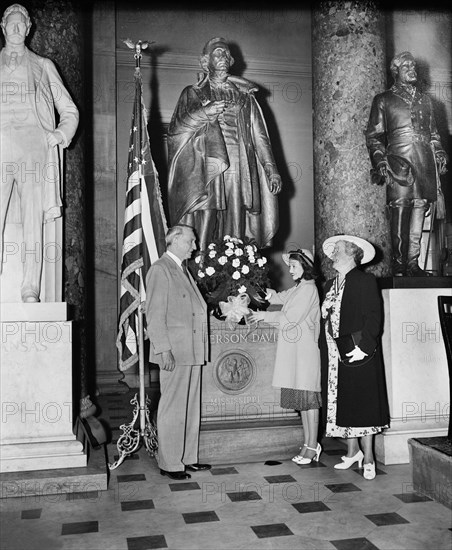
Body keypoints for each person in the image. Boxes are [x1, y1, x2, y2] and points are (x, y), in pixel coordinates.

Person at [167, 37, 282, 253]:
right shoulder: (192, 93)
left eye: (227, 55)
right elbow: (176, 130)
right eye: (218, 53)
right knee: (206, 216)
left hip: (240, 164)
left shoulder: (245, 96)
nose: (224, 58)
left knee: (236, 216)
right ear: (205, 62)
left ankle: (233, 267)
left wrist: (271, 169)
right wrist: (204, 113)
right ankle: (200, 266)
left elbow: (259, 136)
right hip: (206, 163)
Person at [0, 3, 79, 302]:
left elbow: (69, 109)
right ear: (3, 27)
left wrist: (60, 134)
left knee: (33, 217)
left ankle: (30, 286)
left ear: (29, 28)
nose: (17, 29)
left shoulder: (44, 66)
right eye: (12, 24)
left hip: (34, 145)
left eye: (22, 24)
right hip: (1, 143)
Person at [365, 51, 447, 277]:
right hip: (398, 160)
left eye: (414, 66)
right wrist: (380, 159)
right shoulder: (383, 99)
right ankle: (399, 265)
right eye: (407, 66)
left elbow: (433, 134)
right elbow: (373, 136)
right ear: (396, 72)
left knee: (420, 208)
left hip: (424, 162)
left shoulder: (426, 100)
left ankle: (413, 263)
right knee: (400, 209)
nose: (412, 69)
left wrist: (439, 152)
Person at [320, 235, 389, 480]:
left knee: (363, 402)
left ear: (351, 252)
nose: (332, 255)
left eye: (337, 249)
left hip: (357, 351)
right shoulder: (330, 285)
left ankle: (368, 457)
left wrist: (365, 345)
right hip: (333, 353)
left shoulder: (364, 280)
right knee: (343, 401)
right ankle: (353, 452)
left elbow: (374, 316)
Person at [145, 224, 211, 480]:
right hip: (174, 352)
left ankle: (187, 458)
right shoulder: (160, 270)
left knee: (190, 407)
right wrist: (164, 350)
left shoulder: (182, 270)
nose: (195, 246)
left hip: (192, 351)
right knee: (173, 407)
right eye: (191, 241)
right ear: (174, 241)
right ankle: (170, 462)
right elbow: (155, 315)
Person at [249, 249, 322, 464]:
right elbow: (279, 297)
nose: (290, 270)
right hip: (297, 352)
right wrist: (256, 290)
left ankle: (312, 445)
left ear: (305, 267)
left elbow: (290, 318)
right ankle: (309, 444)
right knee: (303, 403)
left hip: (306, 353)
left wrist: (262, 315)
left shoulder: (309, 290)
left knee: (309, 403)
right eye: (290, 266)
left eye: (293, 266)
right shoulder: (301, 288)